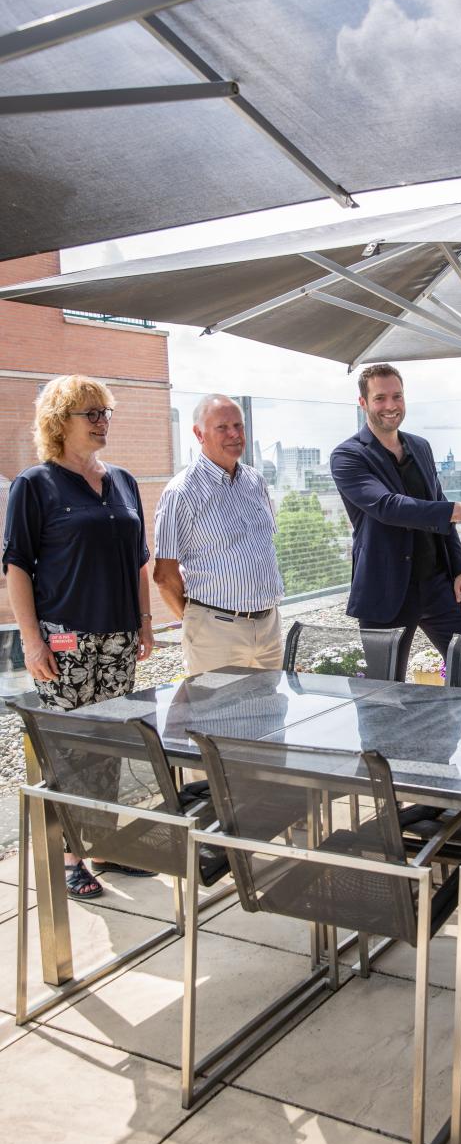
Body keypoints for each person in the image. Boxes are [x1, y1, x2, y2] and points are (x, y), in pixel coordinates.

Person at [2, 375, 154, 899]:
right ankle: (71, 856)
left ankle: (104, 844)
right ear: (58, 422)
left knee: (110, 742)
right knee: (70, 749)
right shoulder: (35, 484)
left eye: (105, 412)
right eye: (90, 413)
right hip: (64, 640)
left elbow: (139, 560)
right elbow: (17, 566)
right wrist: (31, 639)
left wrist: (145, 620)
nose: (102, 422)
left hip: (118, 637)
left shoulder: (124, 481)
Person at [330, 364, 461, 680]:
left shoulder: (420, 446)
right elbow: (388, 507)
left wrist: (459, 569)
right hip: (385, 589)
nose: (391, 406)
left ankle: (446, 731)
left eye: (397, 396)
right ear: (363, 402)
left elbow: (437, 506)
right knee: (385, 693)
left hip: (437, 585)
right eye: (380, 398)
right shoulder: (347, 456)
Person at [154, 394, 285, 675]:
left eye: (238, 426)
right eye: (222, 427)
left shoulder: (255, 481)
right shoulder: (181, 492)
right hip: (215, 632)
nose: (234, 434)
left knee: (271, 715)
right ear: (199, 434)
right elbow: (164, 576)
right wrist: (199, 622)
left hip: (269, 627)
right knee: (215, 716)